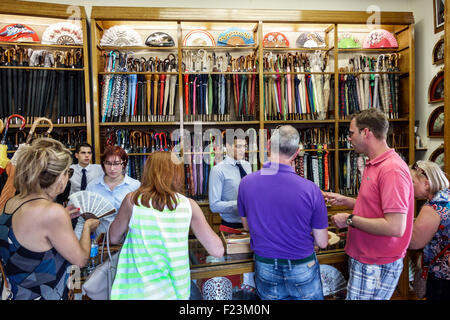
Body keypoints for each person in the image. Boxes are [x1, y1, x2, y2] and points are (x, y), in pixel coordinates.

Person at [323, 108, 414, 300]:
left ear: (366, 133)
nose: (349, 138)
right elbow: (379, 207)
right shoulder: (375, 163)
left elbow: (395, 226)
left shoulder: (391, 170)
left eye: (351, 133)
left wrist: (349, 219)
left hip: (376, 261)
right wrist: (346, 201)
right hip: (368, 258)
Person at [109, 151, 224, 300]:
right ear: (176, 172)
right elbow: (217, 250)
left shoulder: (133, 201)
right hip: (175, 292)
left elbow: (113, 237)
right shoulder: (188, 205)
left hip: (135, 291)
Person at [237, 125, 329, 300]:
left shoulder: (246, 183)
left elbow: (247, 227)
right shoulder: (311, 190)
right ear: (296, 154)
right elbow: (322, 242)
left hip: (265, 265)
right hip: (302, 265)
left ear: (268, 145)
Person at [0, 138, 99, 300]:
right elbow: (80, 259)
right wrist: (87, 226)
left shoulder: (12, 202)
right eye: (68, 172)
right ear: (60, 177)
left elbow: (26, 236)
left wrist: (58, 219)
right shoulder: (52, 212)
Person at [74, 145, 140, 239]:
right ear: (103, 164)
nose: (112, 168)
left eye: (117, 163)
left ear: (124, 164)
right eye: (108, 163)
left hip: (128, 241)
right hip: (99, 243)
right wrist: (77, 242)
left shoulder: (135, 186)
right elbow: (83, 219)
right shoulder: (93, 186)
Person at [408, 160, 449, 300]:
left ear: (426, 183)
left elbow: (414, 242)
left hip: (441, 276)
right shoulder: (446, 197)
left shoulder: (432, 207)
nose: (408, 186)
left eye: (412, 182)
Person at [209, 136, 252, 229]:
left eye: (244, 146)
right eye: (238, 146)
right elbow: (214, 206)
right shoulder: (217, 170)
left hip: (252, 224)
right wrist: (240, 204)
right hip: (231, 227)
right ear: (228, 146)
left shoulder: (247, 166)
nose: (243, 150)